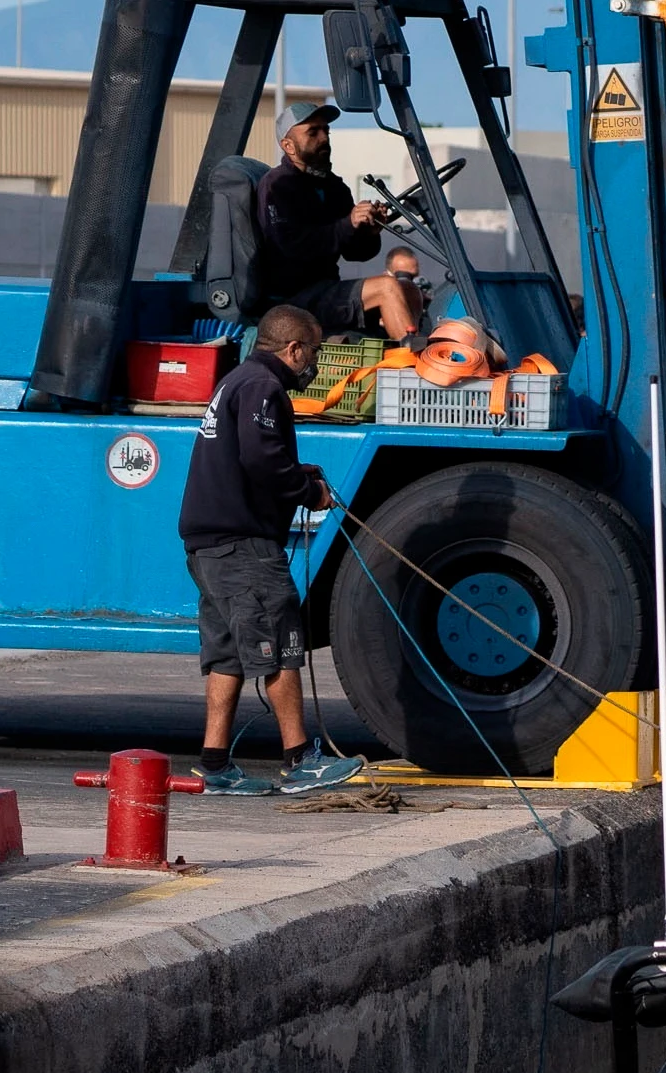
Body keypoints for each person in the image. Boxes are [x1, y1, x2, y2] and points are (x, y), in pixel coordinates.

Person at [178, 303, 365, 797]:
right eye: (315, 353)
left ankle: (215, 764)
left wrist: (296, 473)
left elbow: (251, 457)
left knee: (228, 656)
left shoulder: (236, 381)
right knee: (282, 644)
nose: (316, 364)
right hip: (244, 549)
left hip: (208, 546)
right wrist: (309, 493)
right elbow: (261, 458)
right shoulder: (264, 387)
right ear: (294, 348)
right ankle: (301, 760)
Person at [254, 102, 422, 344]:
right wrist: (347, 224)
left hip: (327, 291)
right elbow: (291, 248)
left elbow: (355, 253)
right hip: (293, 298)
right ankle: (411, 366)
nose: (324, 138)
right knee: (387, 287)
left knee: (409, 290)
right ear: (288, 146)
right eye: (313, 132)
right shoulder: (277, 186)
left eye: (326, 131)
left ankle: (411, 346)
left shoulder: (334, 187)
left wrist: (368, 232)